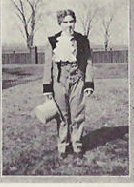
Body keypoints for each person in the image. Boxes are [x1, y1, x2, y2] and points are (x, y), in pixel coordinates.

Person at [42, 9, 94, 158]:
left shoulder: (83, 41)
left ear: (75, 22)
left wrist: (89, 83)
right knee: (62, 116)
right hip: (59, 82)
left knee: (77, 114)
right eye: (65, 22)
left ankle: (77, 145)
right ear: (60, 23)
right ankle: (63, 146)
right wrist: (47, 88)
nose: (69, 25)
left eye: (71, 21)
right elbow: (48, 66)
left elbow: (89, 63)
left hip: (77, 80)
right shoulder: (52, 41)